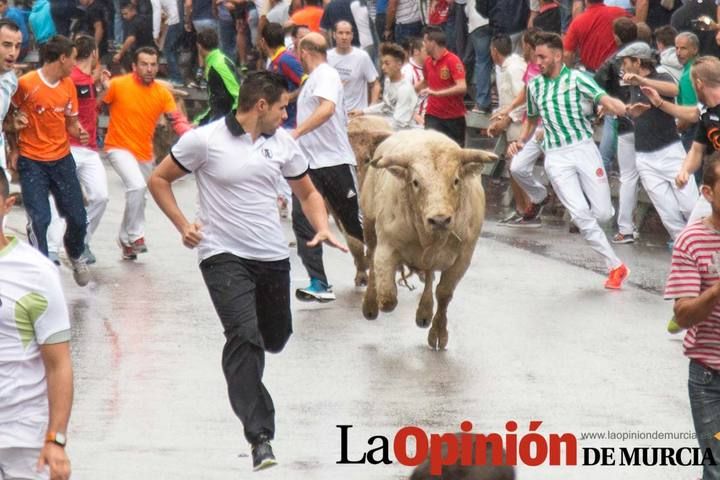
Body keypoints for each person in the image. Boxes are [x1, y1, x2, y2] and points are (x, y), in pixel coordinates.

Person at [148, 71, 346, 472]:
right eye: (282, 107)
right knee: (243, 336)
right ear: (261, 106)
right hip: (221, 253)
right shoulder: (204, 141)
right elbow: (159, 179)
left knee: (274, 337)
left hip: (271, 257)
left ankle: (256, 381)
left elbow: (307, 192)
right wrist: (184, 225)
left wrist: (322, 225)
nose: (287, 114)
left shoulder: (283, 145)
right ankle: (260, 437)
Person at [519, 31, 630, 289]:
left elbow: (603, 99)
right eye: (536, 56)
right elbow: (533, 118)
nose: (538, 61)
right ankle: (615, 266)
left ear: (558, 56)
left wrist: (622, 108)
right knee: (580, 215)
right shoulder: (534, 86)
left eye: (542, 56)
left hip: (583, 149)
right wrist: (520, 141)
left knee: (602, 213)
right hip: (556, 157)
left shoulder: (578, 78)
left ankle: (600, 226)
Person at [0, 167, 74, 480]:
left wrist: (55, 439)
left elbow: (59, 364)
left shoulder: (36, 273)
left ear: (7, 204)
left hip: (22, 434)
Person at [10, 35, 91, 286]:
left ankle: (76, 253)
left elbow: (71, 122)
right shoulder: (26, 84)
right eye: (73, 59)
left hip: (61, 159)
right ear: (63, 58)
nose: (75, 65)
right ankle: (41, 270)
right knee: (41, 219)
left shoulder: (68, 86)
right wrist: (13, 148)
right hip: (32, 160)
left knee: (78, 217)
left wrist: (79, 131)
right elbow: (9, 116)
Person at [292, 32, 365, 301]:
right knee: (303, 221)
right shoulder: (312, 80)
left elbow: (327, 110)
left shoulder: (325, 74)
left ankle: (389, 258)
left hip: (334, 162)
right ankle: (319, 283)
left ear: (305, 52)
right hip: (309, 165)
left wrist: (296, 133)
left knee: (353, 223)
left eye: (298, 51)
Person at [103, 46, 191, 260]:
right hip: (118, 146)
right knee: (137, 186)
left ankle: (125, 239)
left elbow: (176, 119)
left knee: (139, 196)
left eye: (153, 64)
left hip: (144, 153)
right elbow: (94, 105)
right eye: (144, 64)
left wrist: (191, 136)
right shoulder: (118, 85)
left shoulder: (162, 93)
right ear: (134, 66)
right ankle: (136, 235)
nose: (149, 69)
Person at [664, 153, 720, 480]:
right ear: (708, 194)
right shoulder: (692, 241)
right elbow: (683, 315)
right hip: (710, 377)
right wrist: (716, 291)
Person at [619, 41, 697, 241]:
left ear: (637, 62)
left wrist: (641, 81)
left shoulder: (659, 76)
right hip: (644, 156)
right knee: (668, 213)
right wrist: (627, 110)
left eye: (626, 62)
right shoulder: (628, 85)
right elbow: (626, 109)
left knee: (690, 206)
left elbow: (674, 90)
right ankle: (685, 250)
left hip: (670, 150)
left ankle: (706, 243)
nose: (623, 66)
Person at [46, 35, 109, 265]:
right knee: (58, 197)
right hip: (68, 147)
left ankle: (80, 242)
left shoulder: (86, 80)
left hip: (90, 149)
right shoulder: (73, 79)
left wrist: (102, 88)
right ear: (94, 53)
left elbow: (90, 107)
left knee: (101, 195)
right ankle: (51, 248)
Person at [417, 26, 467, 146]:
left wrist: (437, 93)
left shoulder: (453, 60)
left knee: (455, 154)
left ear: (433, 43)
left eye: (425, 42)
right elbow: (426, 81)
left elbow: (462, 87)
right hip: (433, 115)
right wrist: (410, 89)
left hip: (453, 117)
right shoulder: (428, 62)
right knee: (432, 148)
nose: (423, 45)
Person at [349, 42, 417, 129]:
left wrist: (375, 127)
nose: (383, 67)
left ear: (399, 64)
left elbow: (399, 124)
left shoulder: (405, 90)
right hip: (388, 130)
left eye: (387, 63)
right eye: (382, 63)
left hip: (402, 135)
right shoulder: (387, 81)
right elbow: (386, 105)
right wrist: (363, 112)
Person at [327, 20, 380, 114]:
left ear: (352, 35)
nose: (344, 37)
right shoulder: (327, 57)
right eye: (340, 33)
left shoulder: (362, 56)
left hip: (355, 114)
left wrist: (371, 107)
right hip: (334, 114)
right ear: (334, 35)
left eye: (347, 33)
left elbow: (375, 84)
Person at [562, 0, 629, 71]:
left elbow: (567, 55)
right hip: (617, 71)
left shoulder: (577, 22)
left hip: (591, 74)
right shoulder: (619, 13)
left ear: (586, 1)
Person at [260, 22, 304, 128]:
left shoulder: (286, 59)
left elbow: (309, 83)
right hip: (281, 123)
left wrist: (287, 98)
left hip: (292, 123)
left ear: (263, 41)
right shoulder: (275, 60)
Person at [193, 28, 240, 125]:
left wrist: (234, 124)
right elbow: (215, 102)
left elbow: (239, 95)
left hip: (225, 123)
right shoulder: (215, 61)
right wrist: (198, 122)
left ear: (199, 46)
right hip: (220, 118)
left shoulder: (218, 65)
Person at [676, 31, 700, 151]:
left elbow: (689, 114)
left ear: (695, 50)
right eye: (677, 48)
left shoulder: (688, 76)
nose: (679, 53)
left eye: (683, 48)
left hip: (694, 132)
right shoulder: (706, 66)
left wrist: (676, 130)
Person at [112, 2, 154, 68]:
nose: (124, 17)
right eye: (123, 14)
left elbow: (131, 39)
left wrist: (120, 54)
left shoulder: (133, 23)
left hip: (140, 50)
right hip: (151, 48)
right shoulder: (145, 18)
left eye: (126, 14)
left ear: (133, 11)